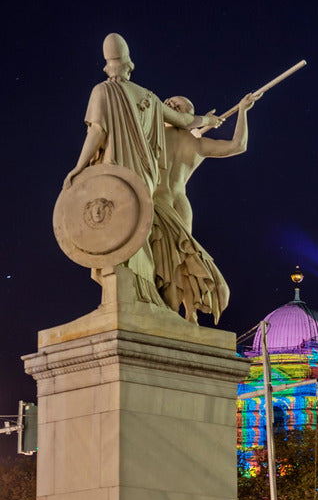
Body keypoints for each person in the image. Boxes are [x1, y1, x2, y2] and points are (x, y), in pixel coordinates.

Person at [64, 34, 221, 298]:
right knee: (138, 234)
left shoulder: (101, 91)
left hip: (116, 175)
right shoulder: (147, 96)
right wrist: (207, 119)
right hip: (144, 178)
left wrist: (78, 167)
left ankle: (127, 295)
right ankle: (144, 292)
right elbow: (184, 120)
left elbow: (97, 133)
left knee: (116, 232)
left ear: (107, 66)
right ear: (129, 66)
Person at [151, 92, 257, 321]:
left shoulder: (153, 136)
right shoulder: (196, 144)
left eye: (172, 105)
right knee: (183, 259)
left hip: (158, 200)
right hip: (180, 202)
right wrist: (242, 111)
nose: (167, 105)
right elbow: (238, 145)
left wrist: (204, 120)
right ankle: (190, 312)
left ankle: (168, 308)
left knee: (163, 259)